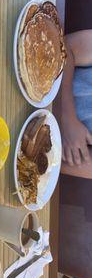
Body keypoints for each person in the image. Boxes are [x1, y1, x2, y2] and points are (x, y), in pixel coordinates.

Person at [61, 30, 92, 178]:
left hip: (33, 134)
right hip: (32, 69)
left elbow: (57, 163)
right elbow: (64, 46)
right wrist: (67, 117)